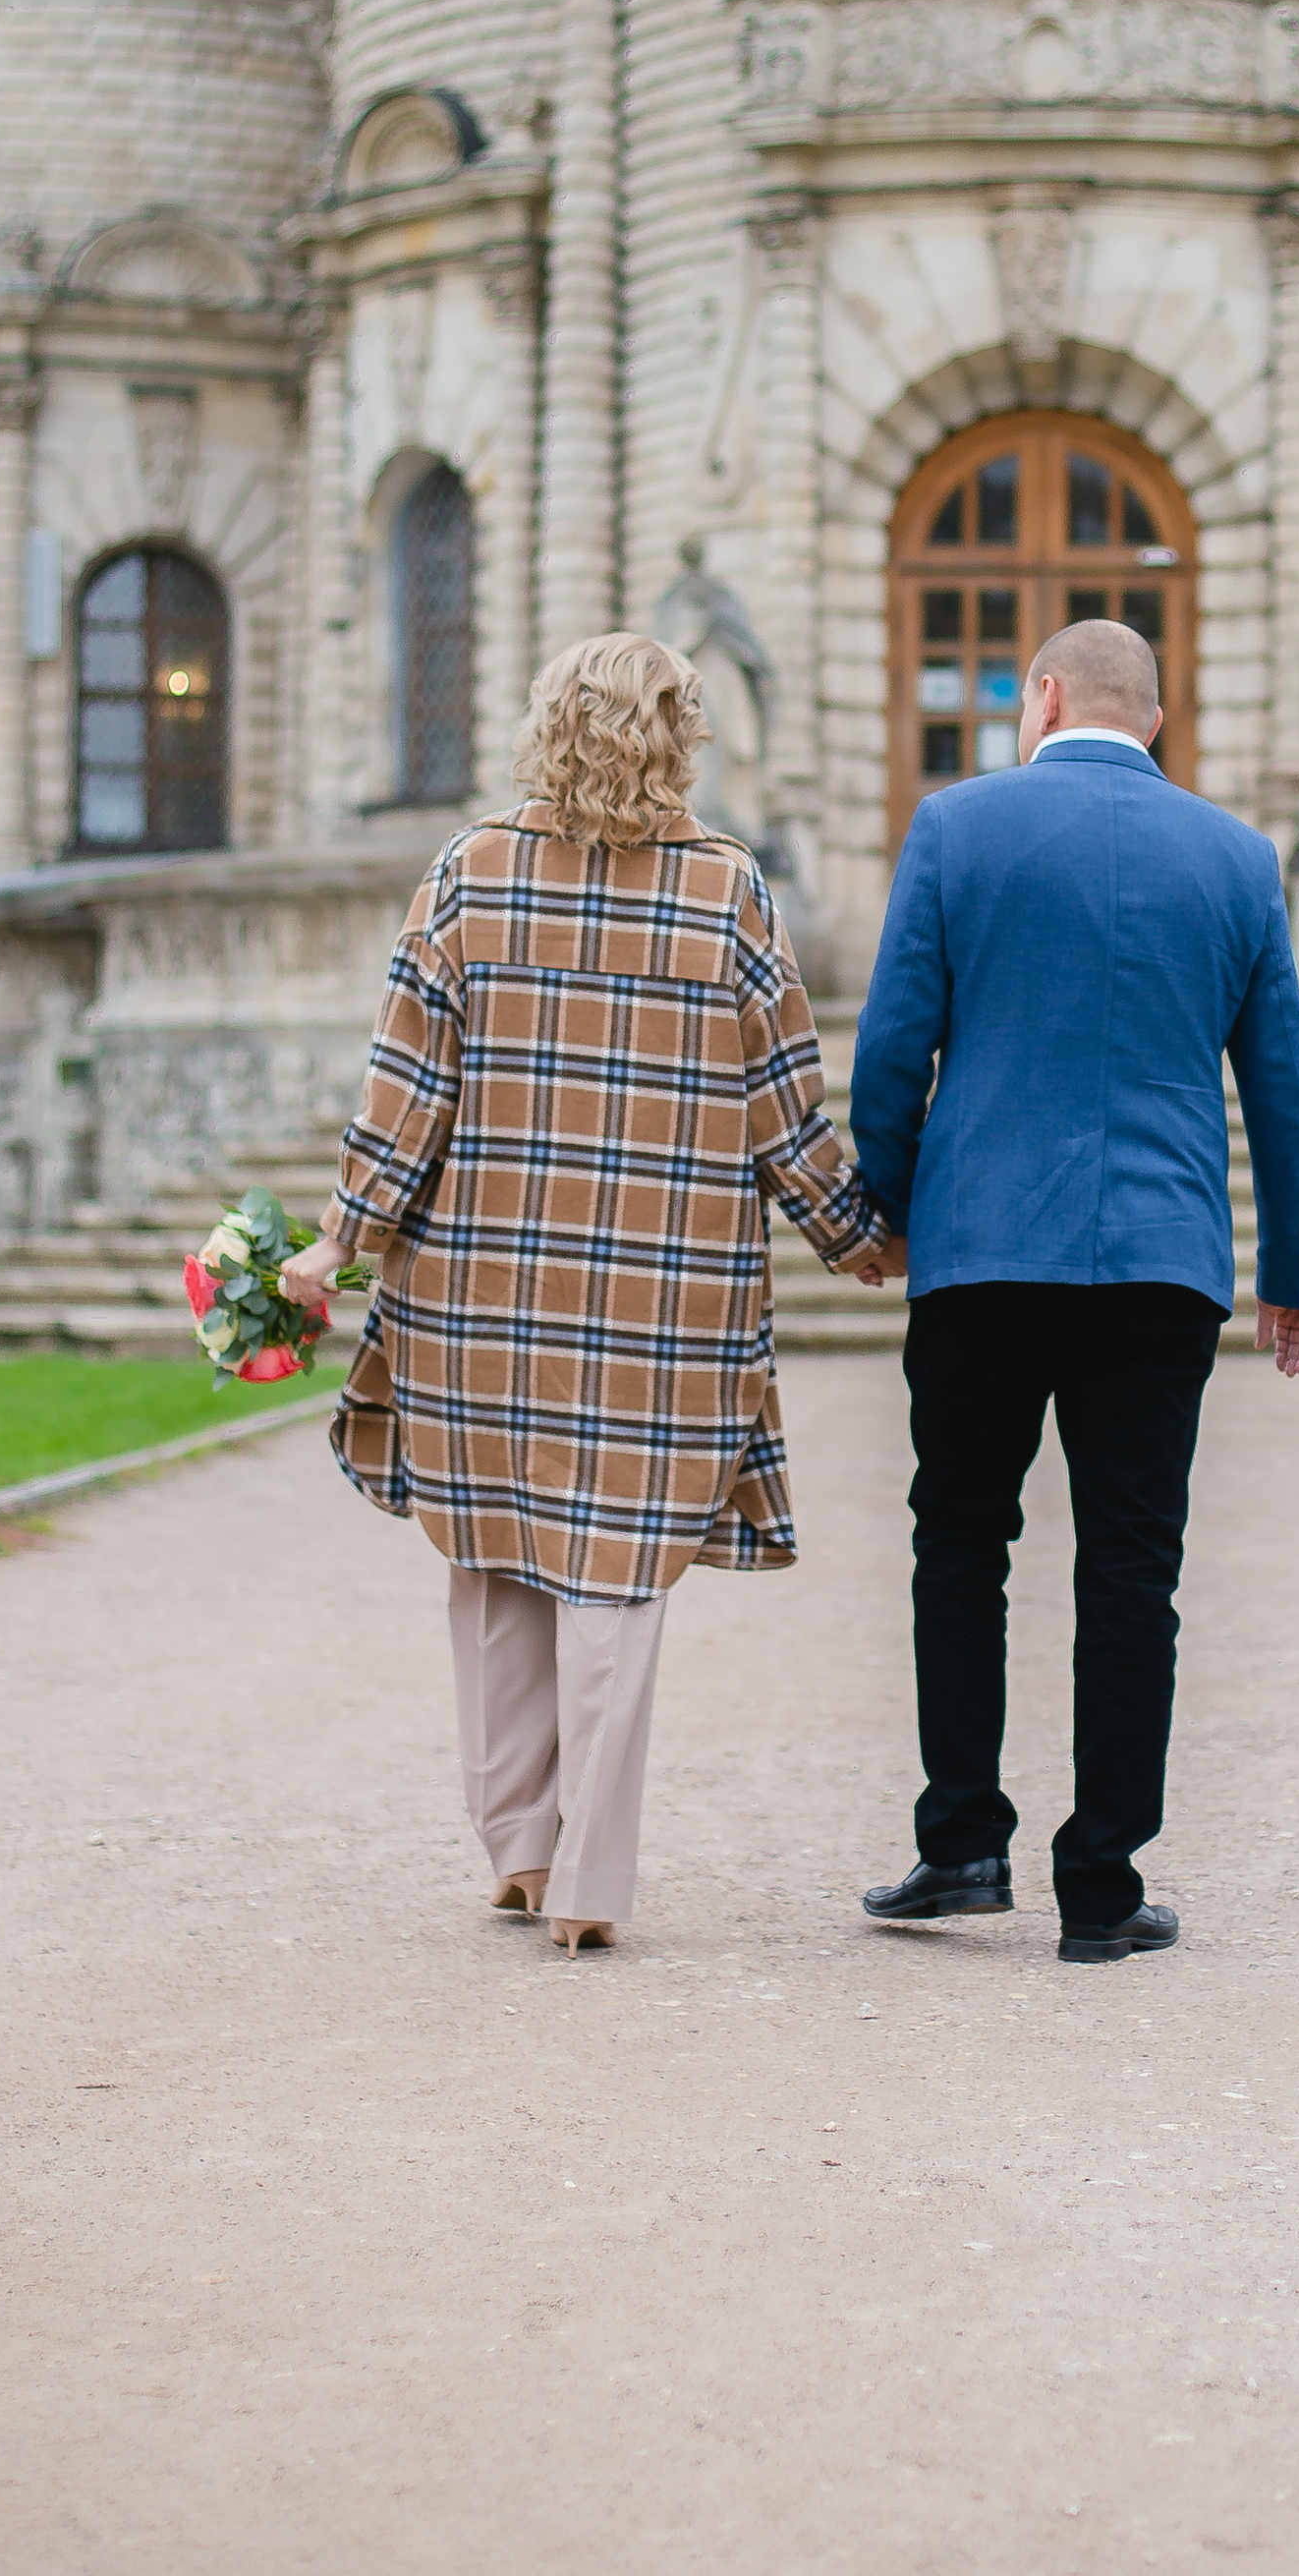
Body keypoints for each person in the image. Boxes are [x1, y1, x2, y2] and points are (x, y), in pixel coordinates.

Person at [281, 633, 896, 1956]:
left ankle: (517, 1848)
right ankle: (589, 1884)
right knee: (614, 1578)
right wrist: (856, 1236)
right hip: (662, 1301)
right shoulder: (727, 891)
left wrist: (337, 1242)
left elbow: (406, 1094)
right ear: (676, 734)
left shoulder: (468, 875)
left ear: (547, 724)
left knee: (495, 1560)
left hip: (479, 1294)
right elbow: (785, 1104)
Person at [846, 618, 1299, 1965]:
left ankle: (961, 1848)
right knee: (1133, 1568)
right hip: (1160, 1260)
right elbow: (1282, 1096)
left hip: (984, 1248)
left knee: (961, 1544)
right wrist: (1293, 1274)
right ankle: (1102, 1888)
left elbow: (894, 1045)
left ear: (1041, 697)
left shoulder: (955, 829)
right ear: (1157, 723)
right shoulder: (1235, 859)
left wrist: (880, 1212)